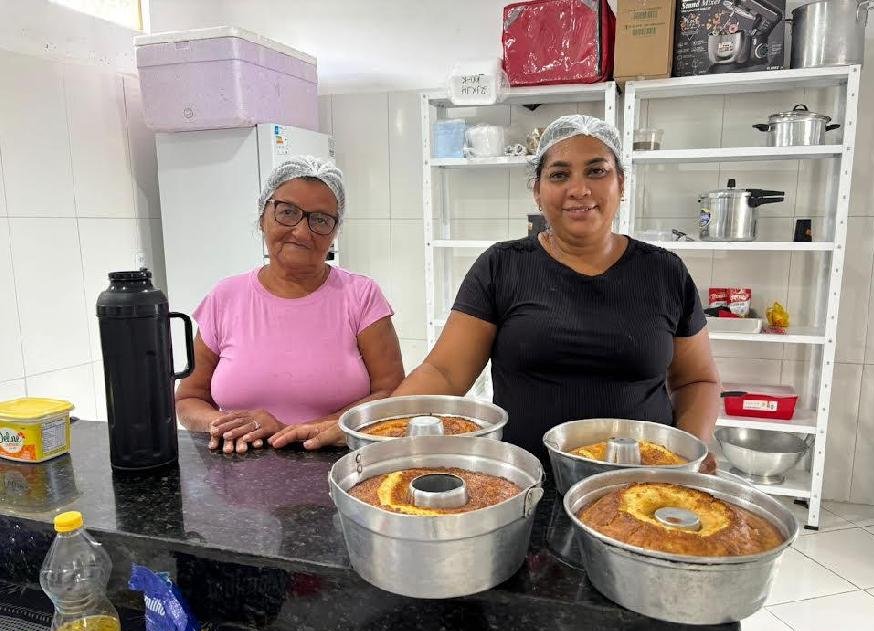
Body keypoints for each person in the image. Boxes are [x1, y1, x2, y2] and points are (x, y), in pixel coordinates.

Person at [279, 115, 721, 467]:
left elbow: (697, 379)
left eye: (597, 171)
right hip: (524, 479)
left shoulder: (664, 272)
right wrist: (368, 425)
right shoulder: (503, 266)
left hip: (644, 480)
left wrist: (694, 450)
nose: (578, 189)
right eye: (559, 174)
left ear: (620, 183)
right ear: (537, 190)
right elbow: (446, 374)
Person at [175, 157, 404, 453]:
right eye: (287, 212)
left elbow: (391, 394)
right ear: (262, 216)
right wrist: (223, 425)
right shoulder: (225, 297)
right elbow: (189, 398)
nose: (301, 231)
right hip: (237, 479)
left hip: (339, 469)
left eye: (320, 220)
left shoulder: (361, 296)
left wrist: (303, 430)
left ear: (334, 232)